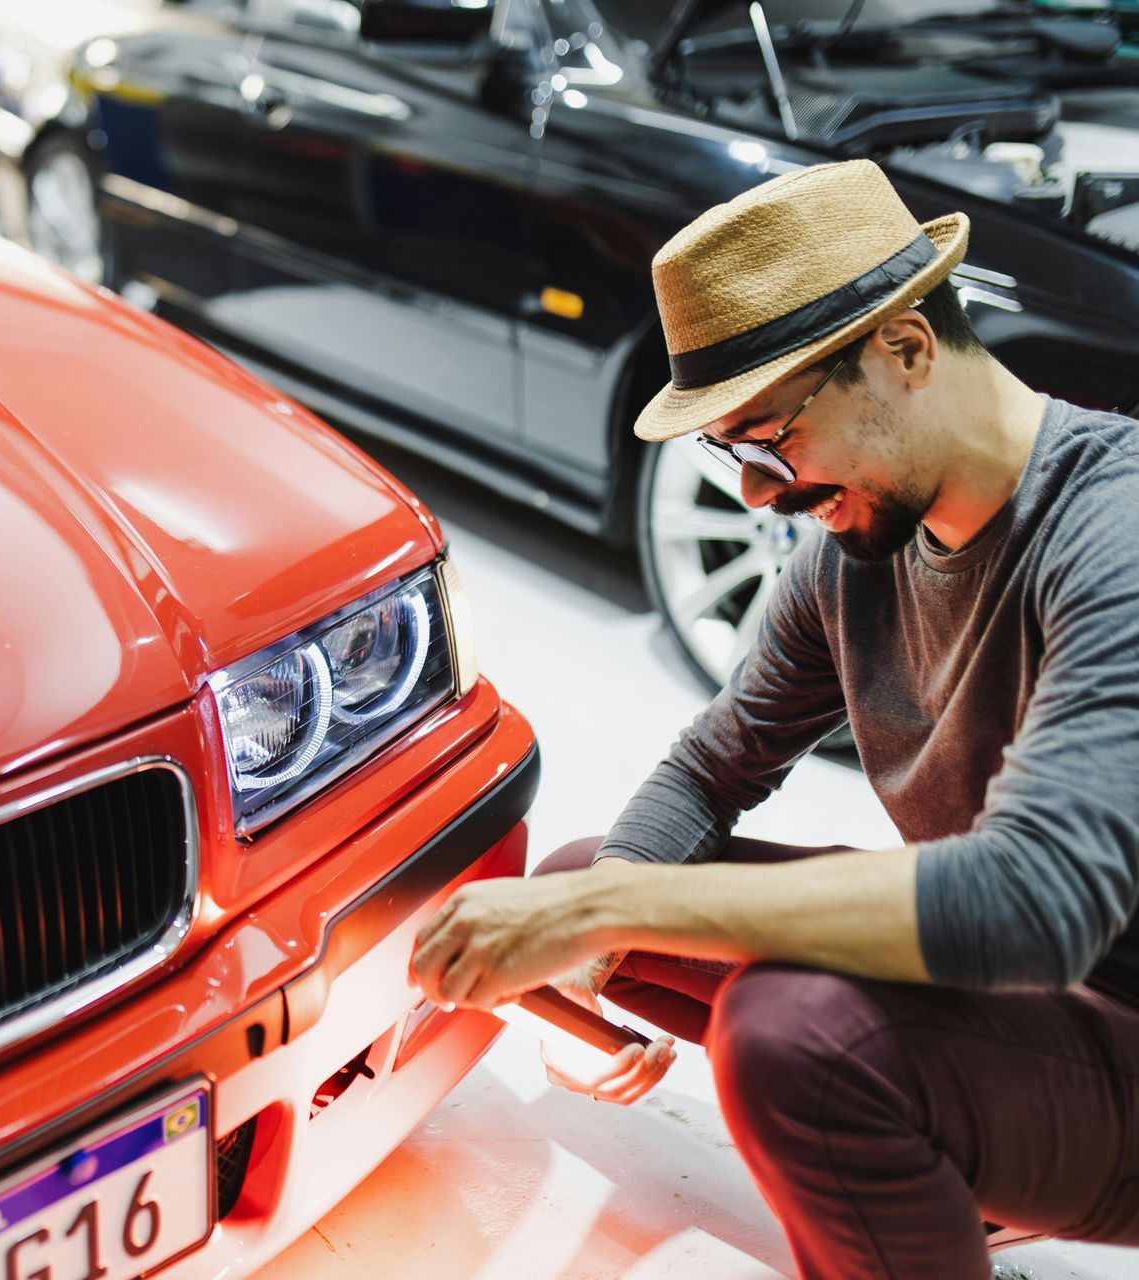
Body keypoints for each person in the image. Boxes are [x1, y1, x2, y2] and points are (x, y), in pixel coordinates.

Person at [410, 159, 1139, 1278]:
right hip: (1018, 992)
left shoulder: (1115, 531)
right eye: (730, 450)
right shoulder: (852, 560)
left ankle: (958, 1127)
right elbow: (711, 768)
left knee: (793, 1035)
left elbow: (1033, 904)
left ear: (904, 347)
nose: (754, 489)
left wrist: (619, 905)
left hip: (1103, 996)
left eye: (771, 433)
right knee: (577, 877)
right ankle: (966, 1146)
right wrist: (597, 916)